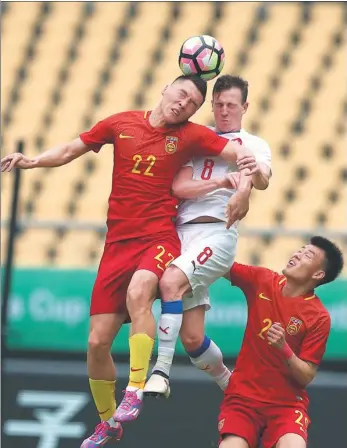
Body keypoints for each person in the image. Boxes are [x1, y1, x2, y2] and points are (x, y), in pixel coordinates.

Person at [1, 75, 258, 447]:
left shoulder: (189, 135)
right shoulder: (120, 123)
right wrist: (33, 161)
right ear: (165, 88)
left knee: (141, 290)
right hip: (116, 245)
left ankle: (136, 388)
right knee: (96, 342)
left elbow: (241, 156)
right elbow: (73, 148)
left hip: (158, 238)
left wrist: (246, 185)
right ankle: (108, 422)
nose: (184, 104)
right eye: (182, 94)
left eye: (192, 104)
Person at [144, 75, 272, 397]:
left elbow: (260, 178)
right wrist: (219, 183)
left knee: (170, 281)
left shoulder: (252, 144)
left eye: (231, 105)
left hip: (217, 233)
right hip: (182, 235)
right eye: (218, 104)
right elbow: (178, 187)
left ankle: (160, 371)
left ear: (245, 107)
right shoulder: (198, 139)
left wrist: (243, 189)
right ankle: (231, 386)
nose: (224, 111)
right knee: (191, 337)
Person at [218, 236, 343, 448]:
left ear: (318, 274)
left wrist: (283, 348)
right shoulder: (262, 279)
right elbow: (219, 266)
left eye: (308, 255)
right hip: (243, 401)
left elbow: (306, 376)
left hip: (286, 406)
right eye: (300, 250)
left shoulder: (319, 317)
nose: (297, 254)